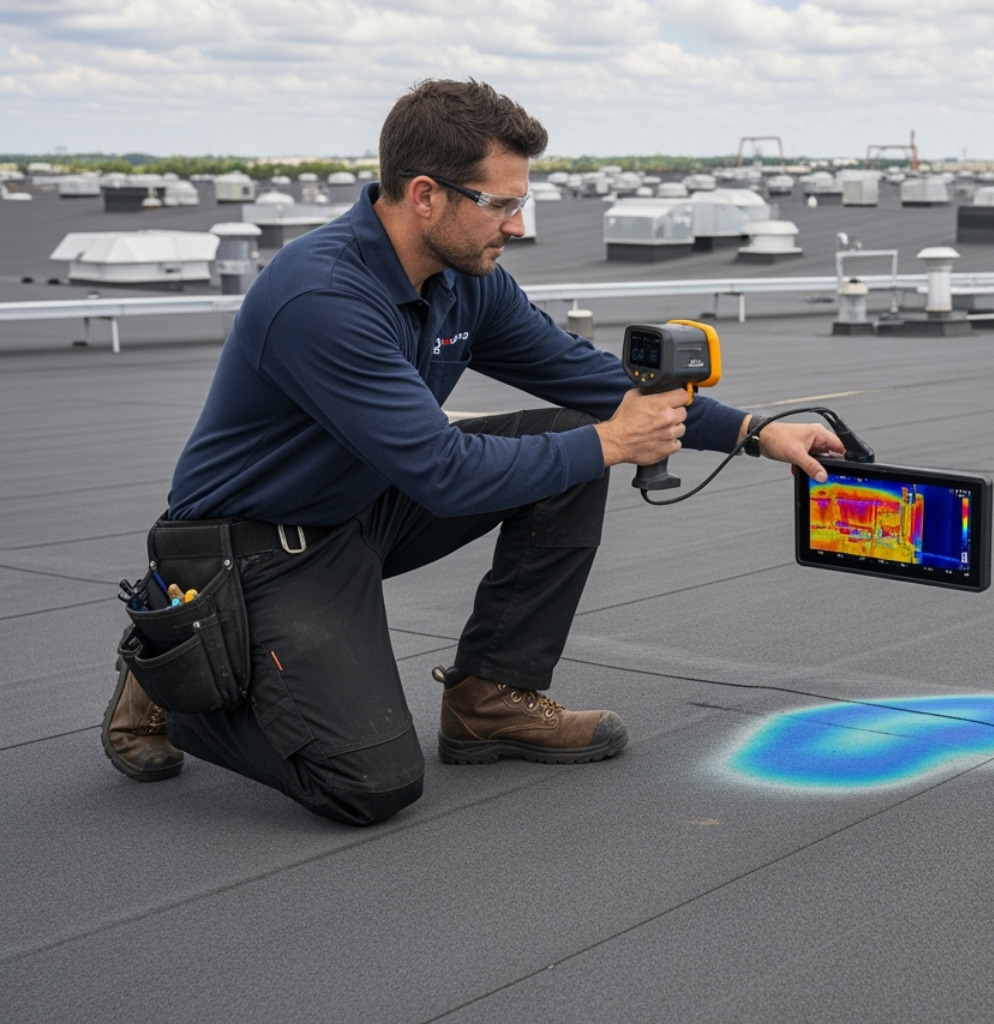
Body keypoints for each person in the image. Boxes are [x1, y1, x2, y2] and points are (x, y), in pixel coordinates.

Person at [101, 79, 842, 826]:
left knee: (567, 440)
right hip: (253, 547)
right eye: (501, 204)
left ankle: (489, 698)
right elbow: (444, 474)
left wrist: (754, 431)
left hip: (362, 503)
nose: (515, 226)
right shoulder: (321, 298)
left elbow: (587, 378)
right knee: (367, 785)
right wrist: (614, 442)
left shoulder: (465, 280)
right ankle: (175, 665)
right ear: (426, 195)